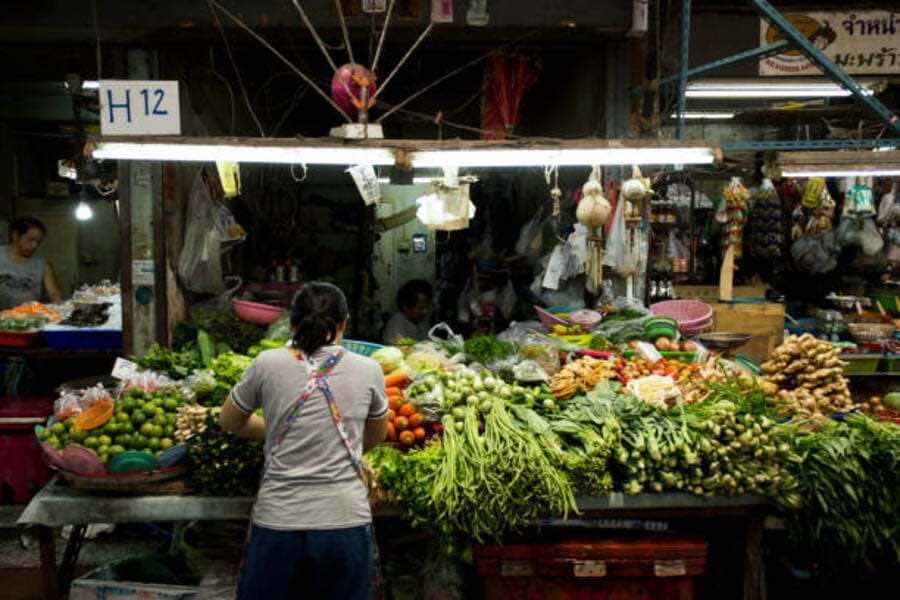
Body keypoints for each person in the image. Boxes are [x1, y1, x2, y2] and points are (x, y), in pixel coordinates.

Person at [220, 282, 388, 600]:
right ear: (343, 323)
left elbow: (229, 421)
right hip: (345, 521)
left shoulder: (266, 363)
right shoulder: (369, 369)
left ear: (293, 323)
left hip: (278, 521)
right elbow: (376, 436)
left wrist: (277, 428)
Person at [0, 217, 63, 309]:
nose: (34, 245)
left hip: (30, 318)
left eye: (38, 242)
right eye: (30, 240)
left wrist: (61, 307)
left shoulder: (42, 264)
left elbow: (54, 294)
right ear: (15, 235)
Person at [382, 279, 433, 344]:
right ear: (405, 306)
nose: (425, 311)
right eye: (420, 308)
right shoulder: (396, 325)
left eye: (428, 307)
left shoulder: (422, 321)